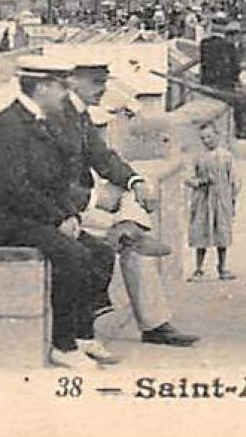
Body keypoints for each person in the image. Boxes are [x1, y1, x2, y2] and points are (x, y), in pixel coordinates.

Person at [0, 60, 118, 369]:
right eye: (61, 87)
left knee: (102, 254)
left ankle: (83, 335)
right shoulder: (7, 126)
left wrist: (70, 216)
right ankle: (63, 345)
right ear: (41, 88)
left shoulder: (39, 121)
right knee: (74, 256)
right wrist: (58, 219)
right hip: (10, 223)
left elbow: (55, 183)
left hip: (38, 217)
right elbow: (13, 188)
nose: (65, 95)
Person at [61, 56, 199, 348]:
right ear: (71, 80)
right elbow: (48, 180)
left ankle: (127, 230)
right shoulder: (56, 116)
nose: (102, 89)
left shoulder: (80, 114)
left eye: (103, 82)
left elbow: (103, 158)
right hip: (65, 207)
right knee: (134, 245)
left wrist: (135, 181)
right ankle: (154, 323)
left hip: (82, 202)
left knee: (132, 199)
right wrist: (93, 199)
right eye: (96, 82)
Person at [186, 121, 239, 281]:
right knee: (201, 230)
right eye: (203, 138)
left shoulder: (226, 157)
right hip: (203, 198)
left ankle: (222, 267)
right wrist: (200, 182)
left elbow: (234, 180)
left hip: (221, 198)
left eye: (209, 136)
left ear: (218, 136)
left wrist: (232, 199)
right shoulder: (198, 157)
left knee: (222, 230)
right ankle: (199, 268)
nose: (206, 140)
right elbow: (188, 178)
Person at [199, 17, 246, 140]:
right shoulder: (229, 47)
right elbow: (235, 70)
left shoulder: (204, 44)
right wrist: (243, 84)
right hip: (223, 85)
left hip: (207, 82)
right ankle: (244, 130)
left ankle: (244, 128)